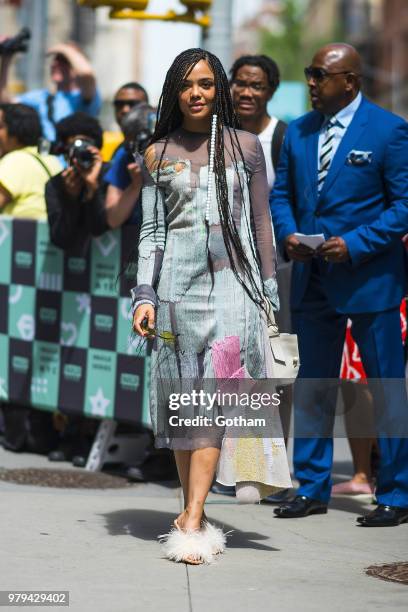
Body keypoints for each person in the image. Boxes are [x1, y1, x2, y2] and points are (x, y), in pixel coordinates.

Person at [131, 48, 291, 564]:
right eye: (185, 85)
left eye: (204, 83)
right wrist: (144, 294)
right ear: (174, 93)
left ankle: (194, 517)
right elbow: (151, 232)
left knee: (218, 406)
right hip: (177, 290)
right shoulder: (156, 154)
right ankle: (190, 511)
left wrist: (268, 291)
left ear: (217, 88)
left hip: (233, 290)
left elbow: (262, 223)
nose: (195, 93)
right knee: (186, 408)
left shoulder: (245, 146)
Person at [271, 43, 408, 526]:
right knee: (314, 386)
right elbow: (282, 191)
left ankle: (396, 492)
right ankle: (310, 486)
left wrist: (355, 243)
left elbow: (403, 207)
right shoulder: (300, 131)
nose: (310, 82)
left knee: (386, 387)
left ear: (348, 80)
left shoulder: (390, 131)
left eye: (318, 75)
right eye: (308, 73)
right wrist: (288, 232)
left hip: (370, 278)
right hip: (312, 279)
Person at [229, 54, 292, 504]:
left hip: (271, 270)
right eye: (240, 84)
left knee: (272, 368)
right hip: (224, 269)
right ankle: (235, 465)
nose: (247, 92)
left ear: (270, 90)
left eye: (257, 85)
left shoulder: (282, 136)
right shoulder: (219, 135)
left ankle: (273, 467)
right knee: (228, 367)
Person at [0, 102, 61, 454]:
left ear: (13, 131)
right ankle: (34, 432)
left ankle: (17, 433)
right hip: (48, 274)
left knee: (12, 350)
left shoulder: (13, 162)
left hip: (16, 274)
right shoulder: (50, 160)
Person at [0, 41, 101, 142]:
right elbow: (6, 102)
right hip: (47, 156)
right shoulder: (43, 97)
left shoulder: (84, 96)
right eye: (54, 60)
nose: (54, 64)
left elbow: (86, 73)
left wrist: (62, 48)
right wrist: (7, 56)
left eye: (63, 60)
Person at [45, 112, 109, 250]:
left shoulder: (109, 174)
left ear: (96, 149)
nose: (80, 154)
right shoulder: (55, 184)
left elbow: (98, 230)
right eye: (75, 149)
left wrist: (92, 189)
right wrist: (70, 198)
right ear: (65, 152)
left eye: (85, 148)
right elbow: (59, 238)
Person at [0, 103, 61, 218]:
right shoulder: (51, 159)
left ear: (15, 131)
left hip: (21, 234)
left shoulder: (15, 160)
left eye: (0, 127)